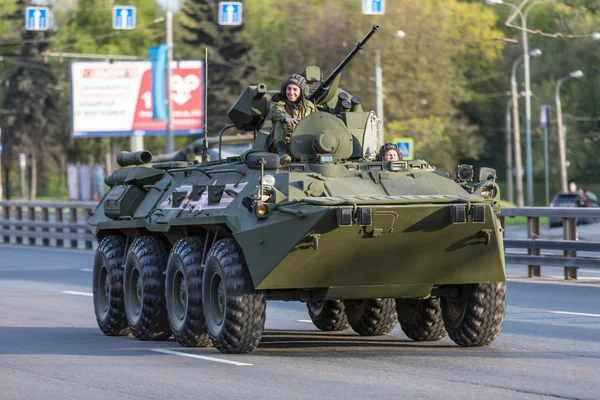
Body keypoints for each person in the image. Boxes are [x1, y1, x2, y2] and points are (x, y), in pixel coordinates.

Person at [268, 74, 316, 163]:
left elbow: (318, 121)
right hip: (282, 144)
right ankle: (281, 152)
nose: (291, 92)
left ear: (302, 91)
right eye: (288, 89)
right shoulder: (278, 104)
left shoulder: (309, 107)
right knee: (280, 122)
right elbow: (276, 113)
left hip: (303, 144)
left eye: (295, 89)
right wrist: (286, 118)